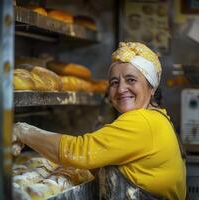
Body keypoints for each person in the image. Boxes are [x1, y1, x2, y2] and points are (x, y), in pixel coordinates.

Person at [12, 42, 186, 200]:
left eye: (131, 80)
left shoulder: (141, 121)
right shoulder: (159, 117)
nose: (121, 89)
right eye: (114, 82)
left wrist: (23, 131)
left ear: (152, 87)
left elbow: (79, 151)